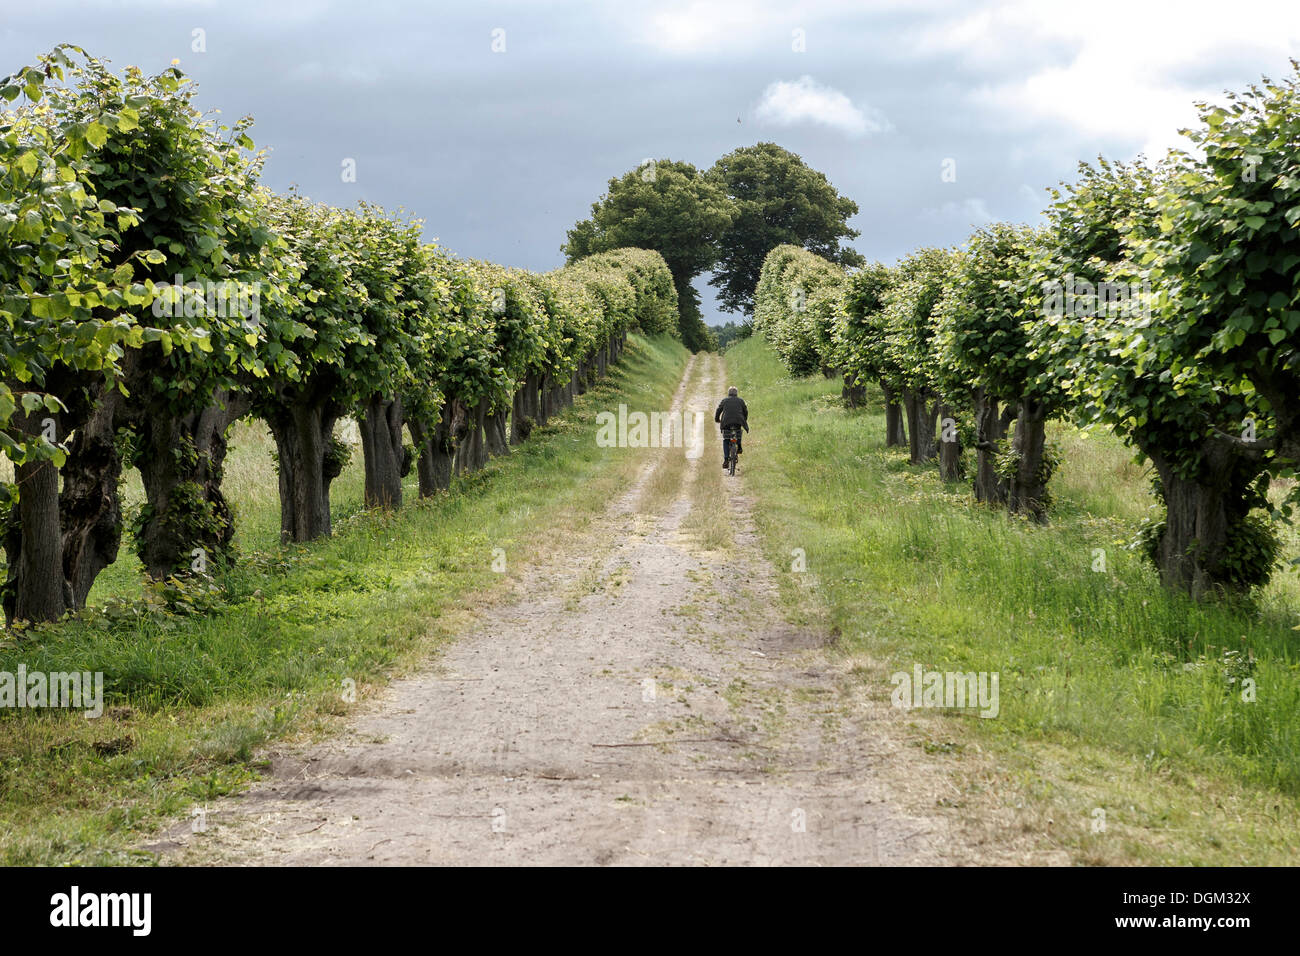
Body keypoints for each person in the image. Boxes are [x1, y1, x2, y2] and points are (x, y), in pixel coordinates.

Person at [714, 386, 749, 468]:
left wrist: (717, 419)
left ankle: (726, 459)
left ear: (728, 393)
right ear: (736, 394)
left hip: (726, 422)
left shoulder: (725, 400)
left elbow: (718, 410)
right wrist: (744, 419)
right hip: (738, 421)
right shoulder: (741, 401)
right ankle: (739, 447)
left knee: (726, 440)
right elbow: (745, 411)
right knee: (738, 432)